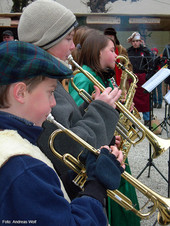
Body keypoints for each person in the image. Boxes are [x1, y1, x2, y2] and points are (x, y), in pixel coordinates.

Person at [0, 40, 125, 225]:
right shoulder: (26, 169)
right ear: (20, 92)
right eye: (50, 92)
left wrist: (67, 182)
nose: (53, 103)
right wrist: (97, 186)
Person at [18, 0, 122, 199]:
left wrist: (90, 106)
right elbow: (65, 146)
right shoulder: (38, 84)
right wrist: (100, 111)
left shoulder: (47, 79)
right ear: (47, 40)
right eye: (68, 38)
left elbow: (67, 121)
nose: (74, 46)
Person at [68, 30, 140, 226]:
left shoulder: (104, 75)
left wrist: (123, 109)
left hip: (109, 145)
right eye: (111, 50)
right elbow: (76, 118)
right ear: (98, 52)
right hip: (98, 152)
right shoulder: (85, 78)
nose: (116, 55)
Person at [127, 32, 154, 126]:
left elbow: (151, 64)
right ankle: (133, 119)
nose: (135, 43)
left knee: (145, 98)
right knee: (132, 99)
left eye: (137, 41)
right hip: (132, 78)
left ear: (140, 41)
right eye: (134, 41)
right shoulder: (128, 51)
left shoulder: (145, 51)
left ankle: (147, 118)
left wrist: (147, 77)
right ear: (131, 42)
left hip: (142, 77)